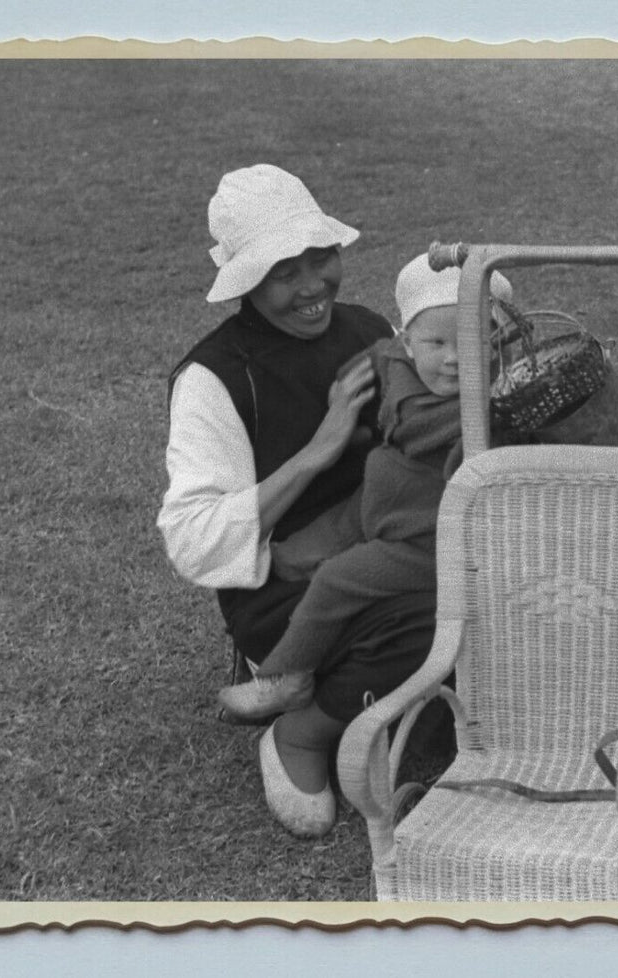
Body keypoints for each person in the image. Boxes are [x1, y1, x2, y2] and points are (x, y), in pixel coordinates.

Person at [157, 164, 436, 838]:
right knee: (431, 614)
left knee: (488, 577)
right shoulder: (215, 377)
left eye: (321, 258)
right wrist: (322, 444)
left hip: (385, 543)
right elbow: (192, 537)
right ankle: (300, 731)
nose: (312, 286)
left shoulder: (366, 326)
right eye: (285, 272)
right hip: (289, 593)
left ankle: (410, 721)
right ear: (246, 280)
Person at [216, 254, 514, 722]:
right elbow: (374, 358)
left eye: (474, 341)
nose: (454, 358)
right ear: (409, 341)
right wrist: (345, 398)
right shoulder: (396, 356)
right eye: (437, 342)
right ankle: (277, 619)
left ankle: (288, 675)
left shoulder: (496, 406)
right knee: (299, 550)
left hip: (429, 536)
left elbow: (423, 432)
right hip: (379, 497)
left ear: (499, 342)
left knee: (338, 579)